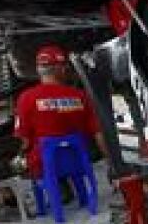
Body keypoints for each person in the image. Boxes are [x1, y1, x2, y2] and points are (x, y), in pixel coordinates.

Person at [14, 44, 102, 183]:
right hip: (79, 158)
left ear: (38, 70)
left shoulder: (25, 98)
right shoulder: (80, 96)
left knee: (29, 159)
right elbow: (98, 133)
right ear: (62, 69)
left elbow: (23, 140)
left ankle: (59, 191)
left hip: (45, 165)